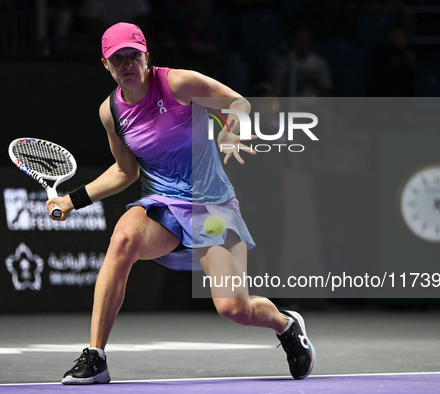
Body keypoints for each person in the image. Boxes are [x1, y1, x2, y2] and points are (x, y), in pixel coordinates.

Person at [46, 22, 315, 385]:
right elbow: (125, 172)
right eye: (117, 58)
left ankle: (286, 325)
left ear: (146, 57)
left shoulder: (178, 83)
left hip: (211, 208)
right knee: (123, 238)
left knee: (235, 308)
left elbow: (239, 102)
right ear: (105, 65)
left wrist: (232, 125)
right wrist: (73, 200)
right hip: (163, 208)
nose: (127, 64)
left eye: (133, 55)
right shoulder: (110, 113)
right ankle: (96, 356)